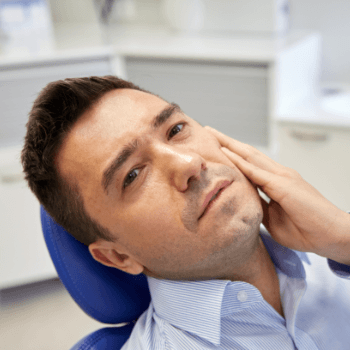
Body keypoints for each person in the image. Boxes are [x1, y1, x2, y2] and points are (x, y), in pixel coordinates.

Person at [22, 75, 350, 350]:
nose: (189, 163)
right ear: (118, 257)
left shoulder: (335, 251)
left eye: (176, 130)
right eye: (133, 176)